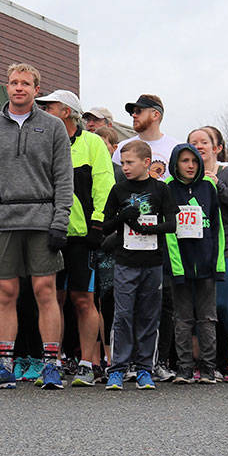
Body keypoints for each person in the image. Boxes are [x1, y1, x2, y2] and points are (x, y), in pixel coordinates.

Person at [0, 63, 73, 390]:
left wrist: (61, 221)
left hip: (43, 219)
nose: (18, 88)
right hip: (4, 219)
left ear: (36, 89)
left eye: (25, 83)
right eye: (13, 82)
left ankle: (52, 364)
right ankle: (4, 365)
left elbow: (63, 179)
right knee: (6, 292)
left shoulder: (54, 126)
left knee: (45, 291)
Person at [36, 89, 114, 387]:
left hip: (82, 235)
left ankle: (86, 362)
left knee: (83, 298)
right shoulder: (44, 143)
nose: (42, 111)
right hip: (48, 232)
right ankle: (52, 361)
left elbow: (104, 185)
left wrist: (97, 225)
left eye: (49, 106)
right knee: (51, 298)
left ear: (67, 111)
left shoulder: (93, 142)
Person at [98, 140, 176, 390]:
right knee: (123, 316)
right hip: (125, 261)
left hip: (153, 262)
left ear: (146, 162)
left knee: (148, 316)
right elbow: (105, 226)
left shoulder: (160, 189)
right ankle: (117, 369)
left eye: (130, 162)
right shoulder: (118, 190)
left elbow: (173, 224)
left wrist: (148, 228)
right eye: (122, 163)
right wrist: (123, 217)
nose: (126, 167)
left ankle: (144, 369)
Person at [187, 127, 228, 380]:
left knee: (223, 305)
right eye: (193, 142)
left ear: (217, 147)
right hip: (198, 248)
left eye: (204, 142)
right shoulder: (187, 177)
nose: (199, 146)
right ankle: (204, 363)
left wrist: (219, 186)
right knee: (198, 309)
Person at [164, 144, 225, 384]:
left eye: (194, 161)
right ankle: (184, 368)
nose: (190, 166)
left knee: (208, 317)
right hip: (180, 264)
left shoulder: (208, 188)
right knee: (182, 318)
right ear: (175, 163)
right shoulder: (168, 188)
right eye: (185, 161)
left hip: (206, 265)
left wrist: (218, 264)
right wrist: (175, 267)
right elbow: (168, 231)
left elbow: (218, 227)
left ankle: (208, 368)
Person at [113, 94, 178, 180]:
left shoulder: (176, 148)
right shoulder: (122, 148)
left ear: (155, 115)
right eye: (133, 112)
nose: (134, 115)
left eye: (138, 111)